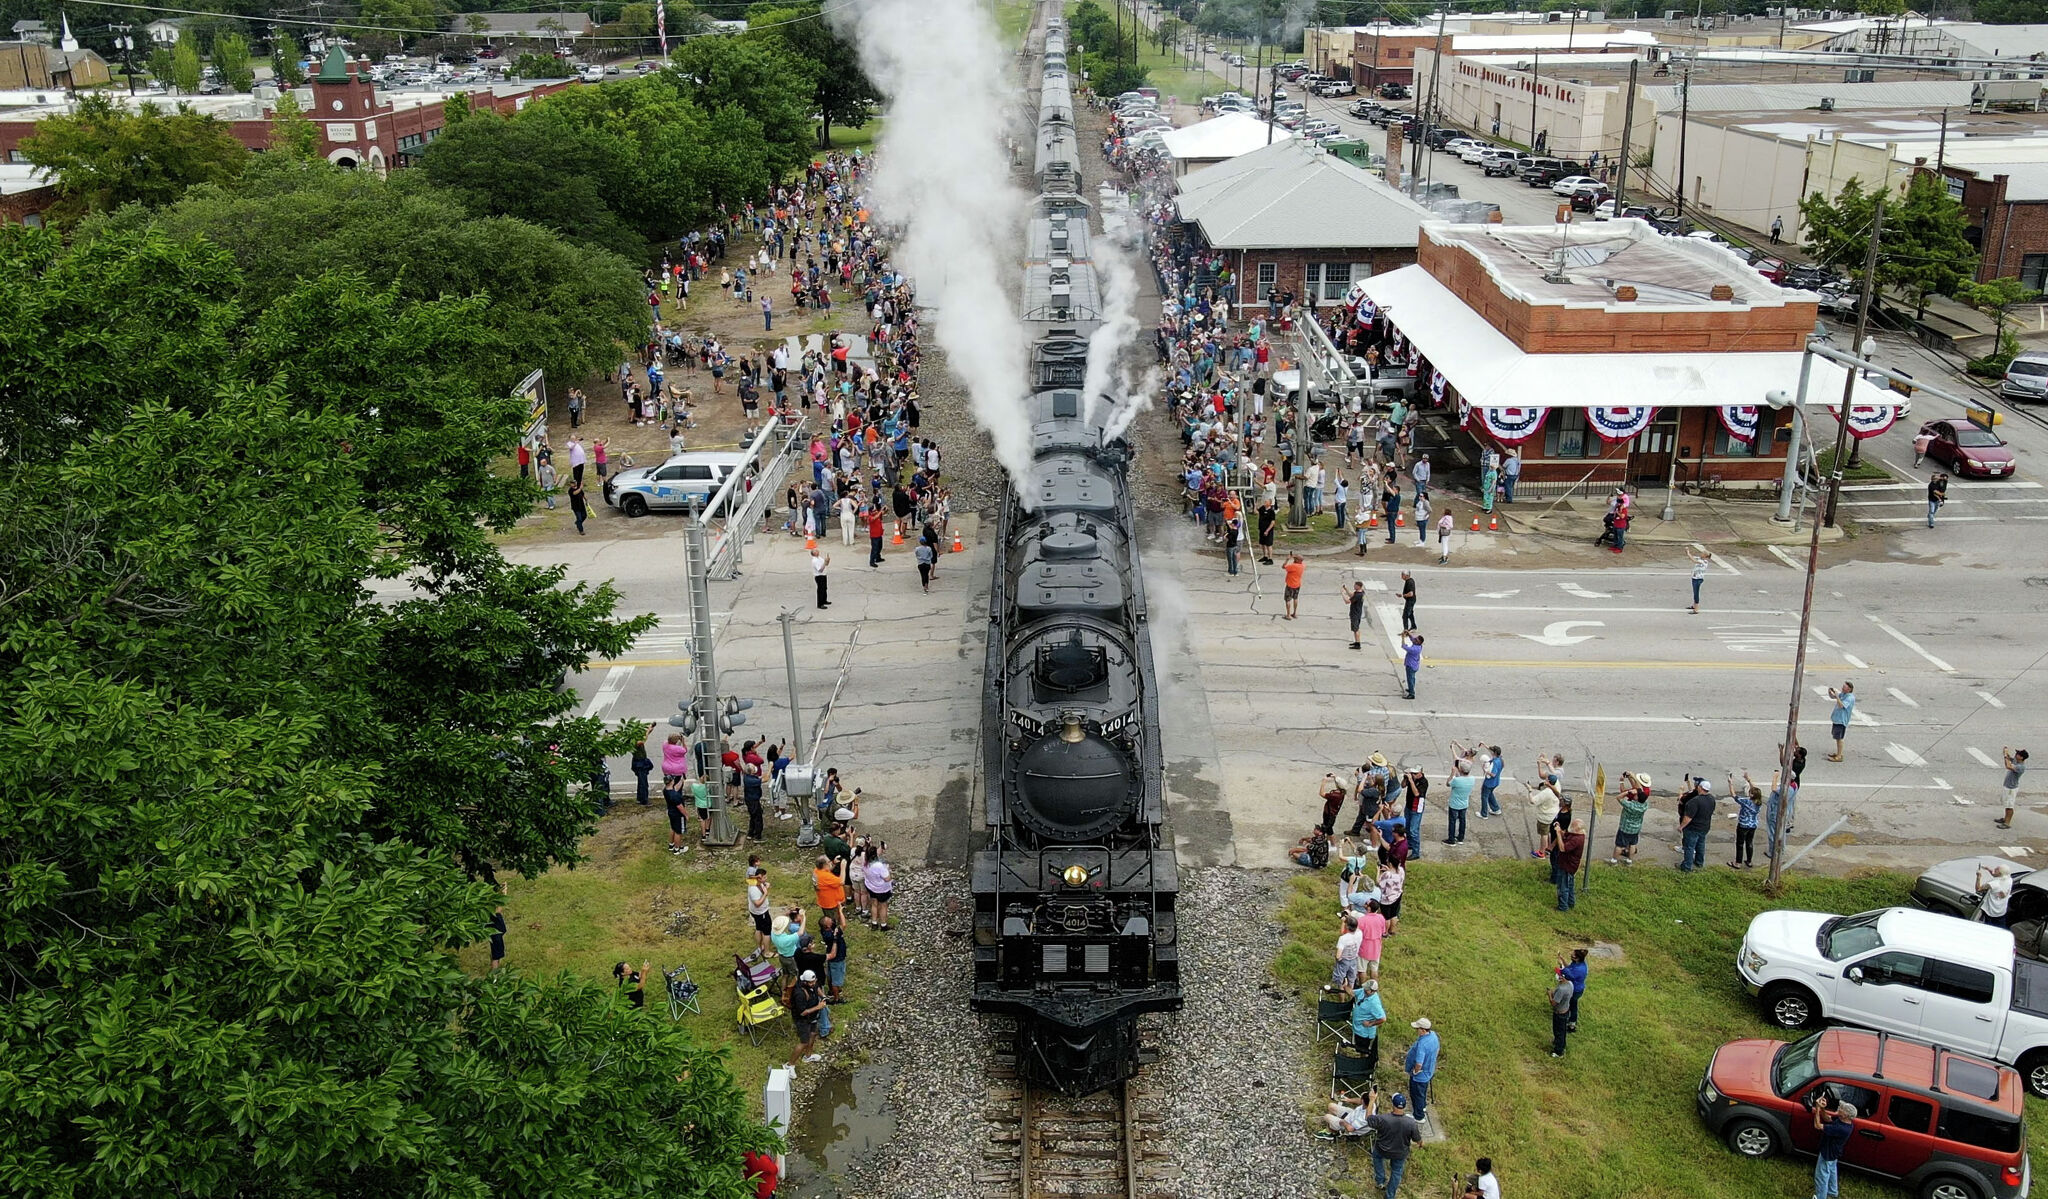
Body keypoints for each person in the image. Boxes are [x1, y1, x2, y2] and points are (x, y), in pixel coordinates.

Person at [1367, 1092, 1423, 1198]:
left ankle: (1380, 1180)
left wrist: (1371, 1100)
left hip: (1382, 1149)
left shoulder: (1383, 1119)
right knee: (1397, 1172)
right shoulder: (1411, 1122)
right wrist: (1420, 1144)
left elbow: (1369, 1119)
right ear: (1405, 1106)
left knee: (1376, 1157)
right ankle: (1390, 1195)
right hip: (1400, 1152)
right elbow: (1418, 1139)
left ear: (1393, 1104)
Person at [1811, 1087, 1855, 1199]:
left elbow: (1818, 1125)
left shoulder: (1841, 1128)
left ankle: (1821, 1197)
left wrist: (1817, 1108)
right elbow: (1828, 1119)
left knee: (1821, 1177)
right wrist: (1823, 1109)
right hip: (1834, 1153)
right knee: (1831, 1171)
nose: (1839, 1108)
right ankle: (1832, 1192)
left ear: (1845, 1115)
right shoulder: (1845, 1122)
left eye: (1842, 1109)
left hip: (1827, 1153)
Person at [1609, 771, 1649, 866]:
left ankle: (1614, 861)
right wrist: (1632, 777)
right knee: (1633, 844)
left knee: (1619, 845)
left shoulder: (1630, 805)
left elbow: (1618, 797)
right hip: (1636, 828)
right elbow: (1639, 790)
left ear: (1636, 798)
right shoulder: (1645, 805)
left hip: (1625, 828)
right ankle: (1629, 861)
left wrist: (1628, 791)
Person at [788, 968, 826, 1066]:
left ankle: (808, 1056)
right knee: (804, 1042)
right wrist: (818, 1007)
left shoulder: (813, 984)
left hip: (812, 1017)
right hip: (802, 1020)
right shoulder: (799, 993)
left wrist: (823, 996)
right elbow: (802, 1013)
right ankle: (789, 1065)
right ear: (804, 982)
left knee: (813, 1034)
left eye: (814, 981)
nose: (813, 984)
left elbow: (817, 988)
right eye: (810, 983)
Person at [1404, 1018, 1438, 1124]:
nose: (1416, 1031)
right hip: (1428, 1071)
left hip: (1420, 1076)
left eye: (1418, 1029)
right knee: (1422, 1092)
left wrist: (1414, 1071)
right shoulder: (1433, 1036)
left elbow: (1419, 1063)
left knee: (1416, 1094)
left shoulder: (1422, 1045)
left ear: (1423, 1030)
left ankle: (1418, 1116)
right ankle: (1422, 1107)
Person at [1677, 778, 1714, 872]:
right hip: (1705, 826)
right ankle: (1699, 862)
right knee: (1701, 845)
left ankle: (1686, 867)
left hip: (1693, 828)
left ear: (1700, 788)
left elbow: (1688, 817)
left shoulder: (1695, 801)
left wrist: (1681, 826)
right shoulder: (1711, 799)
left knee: (1689, 847)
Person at [1550, 819, 1587, 910]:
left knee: (1563, 887)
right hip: (1571, 866)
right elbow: (1566, 835)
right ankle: (1571, 902)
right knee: (1569, 885)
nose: (1570, 828)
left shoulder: (1576, 840)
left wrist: (1558, 834)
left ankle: (1563, 907)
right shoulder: (1578, 835)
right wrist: (1560, 830)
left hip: (1567, 866)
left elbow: (1563, 848)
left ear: (1577, 829)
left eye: (1572, 827)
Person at [1730, 771, 1761, 869]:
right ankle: (1749, 861)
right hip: (1753, 825)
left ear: (1751, 795)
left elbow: (1733, 795)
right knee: (1749, 842)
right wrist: (1748, 780)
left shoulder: (1746, 802)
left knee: (1740, 843)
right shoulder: (1758, 802)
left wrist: (1730, 783)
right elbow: (1755, 790)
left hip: (1743, 824)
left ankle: (1738, 862)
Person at [1556, 946, 1589, 1030]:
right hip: (1574, 988)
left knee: (1572, 1005)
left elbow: (1570, 975)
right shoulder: (1577, 963)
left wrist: (1561, 966)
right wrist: (1562, 960)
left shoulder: (1580, 969)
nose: (1571, 956)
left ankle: (1571, 1024)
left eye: (1572, 955)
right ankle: (1569, 1019)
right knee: (1570, 1004)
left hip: (1575, 990)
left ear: (1577, 958)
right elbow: (1569, 968)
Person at [863, 841, 894, 930]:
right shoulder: (879, 866)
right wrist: (888, 870)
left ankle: (874, 923)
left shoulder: (865, 863)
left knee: (874, 904)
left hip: (871, 887)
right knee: (883, 905)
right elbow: (887, 878)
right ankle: (883, 925)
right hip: (881, 889)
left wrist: (881, 847)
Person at [1444, 759, 1475, 845]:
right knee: (1462, 820)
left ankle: (1451, 839)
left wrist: (1452, 773)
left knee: (1452, 821)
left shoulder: (1457, 781)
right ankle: (1461, 837)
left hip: (1454, 804)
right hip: (1464, 803)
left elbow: (1448, 783)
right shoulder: (1472, 779)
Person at [1998, 748, 2030, 830]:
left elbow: (2008, 766)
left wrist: (2005, 756)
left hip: (2011, 789)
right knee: (2006, 804)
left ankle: (2007, 823)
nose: (2016, 755)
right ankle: (2005, 819)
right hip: (2008, 786)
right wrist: (2006, 753)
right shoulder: (2017, 762)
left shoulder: (2021, 767)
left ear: (2022, 757)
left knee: (2009, 806)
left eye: (2018, 754)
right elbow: (2009, 759)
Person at [1976, 862, 2015, 927]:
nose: (1994, 869)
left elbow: (1978, 889)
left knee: (1989, 926)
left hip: (1991, 911)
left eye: (1996, 869)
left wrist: (1978, 877)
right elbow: (1997, 875)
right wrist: (1989, 869)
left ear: (2000, 873)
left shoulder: (1993, 884)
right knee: (2001, 927)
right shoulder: (2009, 880)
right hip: (2001, 910)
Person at [746, 865, 774, 955]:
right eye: (764, 877)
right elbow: (757, 904)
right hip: (760, 912)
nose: (766, 878)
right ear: (759, 878)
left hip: (756, 912)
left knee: (758, 928)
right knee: (766, 932)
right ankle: (767, 952)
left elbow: (761, 889)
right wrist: (765, 894)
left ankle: (760, 947)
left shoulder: (756, 883)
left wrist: (766, 887)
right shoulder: (753, 889)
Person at [1825, 682, 1855, 761]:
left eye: (1844, 687)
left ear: (1849, 689)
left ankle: (1839, 756)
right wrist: (1830, 693)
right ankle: (1838, 753)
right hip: (1837, 719)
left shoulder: (1850, 698)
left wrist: (1837, 697)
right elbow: (1834, 697)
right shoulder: (1843, 694)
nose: (1842, 688)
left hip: (1841, 720)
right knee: (1836, 736)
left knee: (1839, 738)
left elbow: (1841, 705)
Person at [1333, 913, 1363, 988]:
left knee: (1341, 982)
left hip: (1343, 961)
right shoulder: (1360, 933)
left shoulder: (1343, 938)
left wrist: (1343, 922)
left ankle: (1342, 999)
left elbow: (1338, 955)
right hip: (1354, 959)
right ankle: (1351, 996)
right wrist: (1349, 919)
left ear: (1347, 926)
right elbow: (1356, 926)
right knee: (1352, 980)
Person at [1342, 580, 1367, 650]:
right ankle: (1356, 642)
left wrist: (1343, 594)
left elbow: (1347, 601)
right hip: (1356, 613)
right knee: (1355, 629)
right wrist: (1346, 589)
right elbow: (1351, 595)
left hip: (1355, 614)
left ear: (1358, 586)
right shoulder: (1360, 592)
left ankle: (1358, 644)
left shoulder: (1358, 595)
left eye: (1355, 585)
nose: (1354, 586)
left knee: (1356, 629)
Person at [1686, 548, 1711, 613]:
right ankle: (1694, 605)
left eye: (1702, 553)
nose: (1701, 554)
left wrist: (1688, 553)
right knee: (1695, 592)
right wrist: (1688, 553)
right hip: (1695, 578)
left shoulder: (1704, 561)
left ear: (1705, 555)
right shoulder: (1700, 559)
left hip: (1698, 579)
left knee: (1696, 593)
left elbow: (1694, 560)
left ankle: (1696, 609)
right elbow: (1692, 557)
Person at [1399, 631, 1422, 701]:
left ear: (1418, 642)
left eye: (1416, 640)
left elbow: (1403, 646)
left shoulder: (1414, 649)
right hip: (1414, 665)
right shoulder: (1418, 645)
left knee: (1410, 679)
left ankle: (1411, 694)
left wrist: (1403, 637)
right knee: (1413, 678)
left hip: (1410, 666)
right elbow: (1412, 639)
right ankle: (1411, 689)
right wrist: (1408, 633)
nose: (1414, 639)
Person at [1282, 552, 1305, 619]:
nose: (1294, 559)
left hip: (1290, 585)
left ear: (1297, 560)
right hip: (1297, 584)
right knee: (1295, 598)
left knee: (1288, 600)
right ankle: (1294, 613)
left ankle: (1288, 615)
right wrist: (1295, 556)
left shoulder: (1293, 566)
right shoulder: (1302, 566)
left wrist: (1287, 559)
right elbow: (1299, 559)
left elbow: (1283, 567)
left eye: (1295, 558)